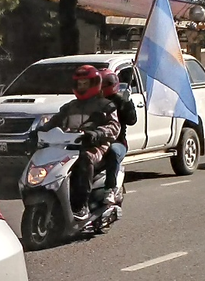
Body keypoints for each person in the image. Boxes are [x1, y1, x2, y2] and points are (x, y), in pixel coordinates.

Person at [37, 65, 120, 220]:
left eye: (85, 83)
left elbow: (114, 127)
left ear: (94, 83)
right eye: (79, 84)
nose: (82, 87)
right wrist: (40, 130)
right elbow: (54, 122)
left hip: (95, 146)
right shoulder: (69, 106)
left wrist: (96, 133)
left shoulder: (105, 105)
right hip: (68, 146)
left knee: (85, 159)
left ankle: (82, 205)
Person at [99, 69, 137, 205]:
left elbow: (132, 120)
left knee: (113, 151)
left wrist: (128, 105)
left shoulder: (120, 101)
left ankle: (110, 189)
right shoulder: (92, 101)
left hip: (117, 142)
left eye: (104, 83)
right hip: (96, 142)